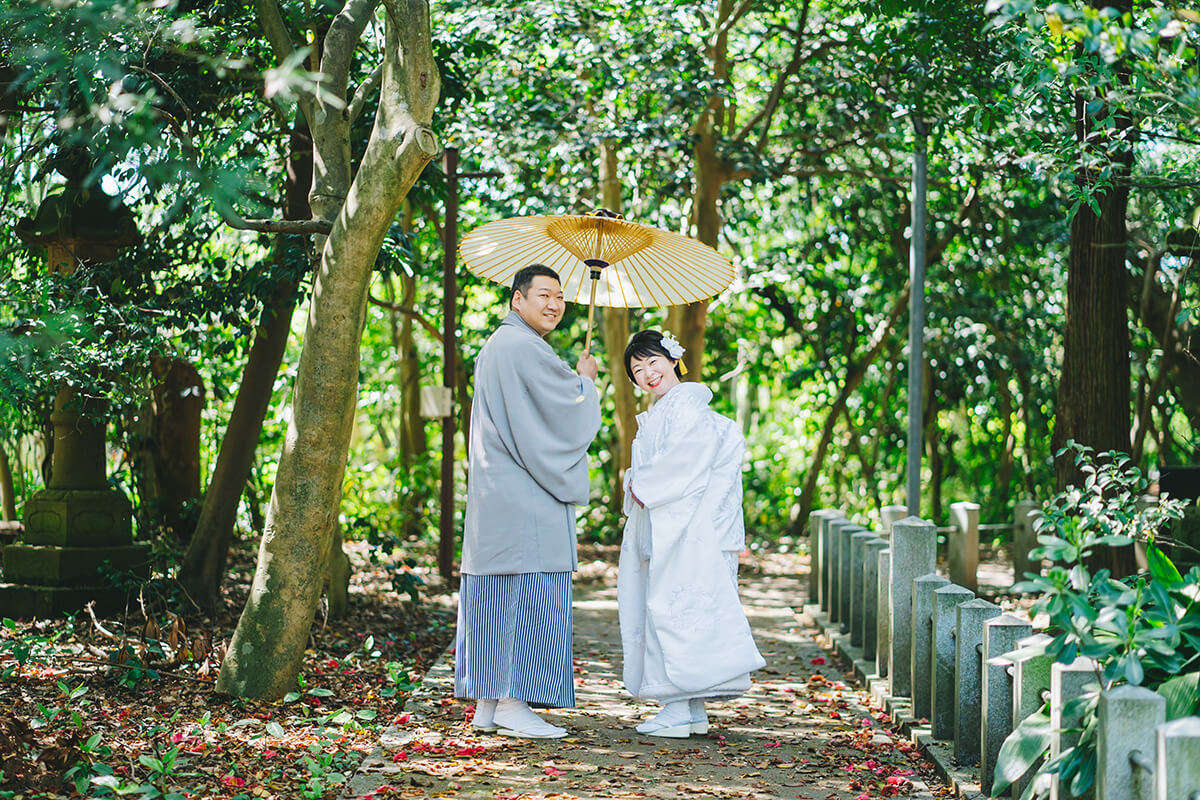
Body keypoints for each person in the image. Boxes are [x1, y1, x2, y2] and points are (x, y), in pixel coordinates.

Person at [454, 263, 601, 739]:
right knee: (530, 597)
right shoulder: (523, 347)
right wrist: (587, 383)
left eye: (560, 296)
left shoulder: (498, 345)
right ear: (517, 300)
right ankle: (515, 702)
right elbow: (567, 415)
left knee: (496, 598)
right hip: (526, 502)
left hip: (498, 500)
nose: (555, 303)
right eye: (543, 294)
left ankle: (488, 703)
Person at [617, 329, 765, 738]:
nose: (647, 373)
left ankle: (679, 708)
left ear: (673, 359)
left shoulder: (686, 409)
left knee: (676, 612)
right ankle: (690, 709)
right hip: (686, 527)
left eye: (653, 362)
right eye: (637, 369)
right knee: (685, 613)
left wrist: (637, 483)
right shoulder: (672, 409)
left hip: (687, 529)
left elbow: (682, 467)